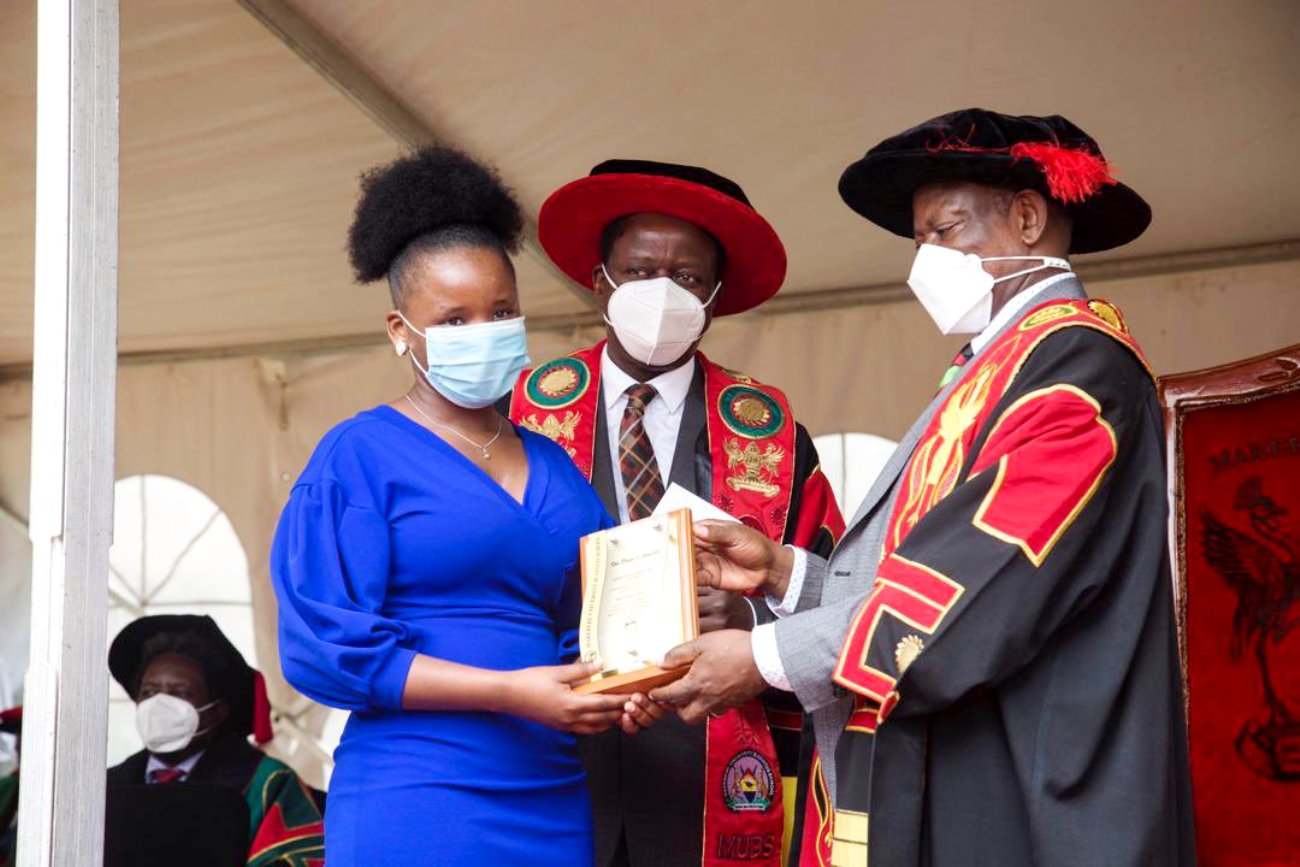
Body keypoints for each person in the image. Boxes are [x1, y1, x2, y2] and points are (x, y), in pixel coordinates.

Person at [652, 109, 1196, 866]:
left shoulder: (1078, 370)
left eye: (943, 231)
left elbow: (971, 590)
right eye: (919, 239)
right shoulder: (998, 366)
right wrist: (782, 571)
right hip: (967, 762)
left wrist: (764, 656)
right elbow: (914, 567)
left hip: (1031, 788)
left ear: (1029, 218)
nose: (923, 260)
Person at [270, 146, 653, 866]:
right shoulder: (357, 456)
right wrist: (510, 691)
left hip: (550, 792)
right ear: (399, 331)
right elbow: (324, 647)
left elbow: (596, 622)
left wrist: (625, 687)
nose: (483, 330)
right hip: (416, 790)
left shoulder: (553, 465)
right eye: (452, 320)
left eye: (501, 311)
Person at [510, 160, 845, 867]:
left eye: (687, 278)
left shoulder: (775, 436)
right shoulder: (519, 416)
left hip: (712, 760)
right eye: (637, 271)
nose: (660, 291)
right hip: (555, 752)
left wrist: (747, 617)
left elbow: (838, 591)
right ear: (599, 279)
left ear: (715, 297)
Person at [106, 614, 324, 866]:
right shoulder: (107, 785)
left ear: (215, 712)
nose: (159, 703)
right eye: (148, 692)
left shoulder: (265, 783)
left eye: (180, 693)